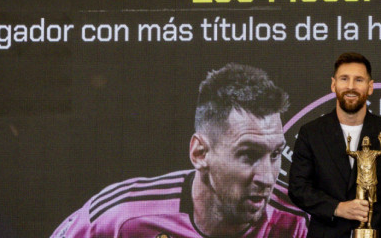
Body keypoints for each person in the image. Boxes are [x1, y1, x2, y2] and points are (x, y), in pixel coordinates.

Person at [50, 63, 307, 238]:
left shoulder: (302, 223)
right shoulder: (121, 215)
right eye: (248, 155)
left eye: (274, 155)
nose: (267, 177)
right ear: (200, 153)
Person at [288, 52, 381, 237]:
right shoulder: (311, 133)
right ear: (333, 85)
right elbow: (298, 188)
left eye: (359, 80)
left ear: (370, 87)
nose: (351, 86)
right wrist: (337, 208)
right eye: (344, 79)